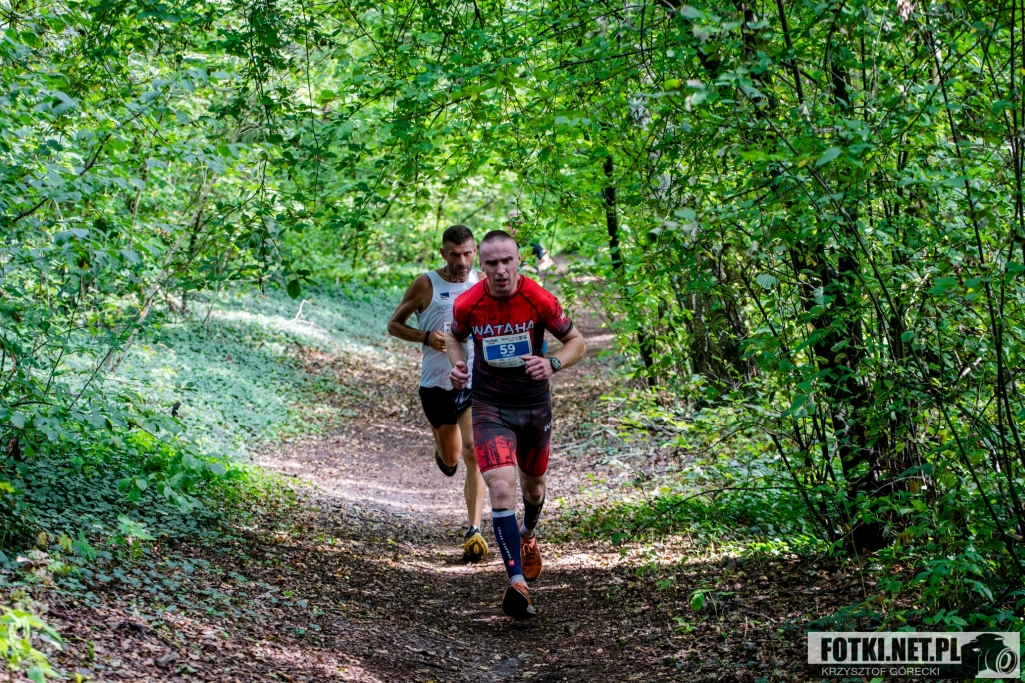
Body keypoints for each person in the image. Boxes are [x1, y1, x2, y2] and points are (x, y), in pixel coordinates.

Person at [446, 230, 586, 620]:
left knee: (534, 486)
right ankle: (517, 582)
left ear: (519, 260)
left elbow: (576, 341)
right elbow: (454, 337)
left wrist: (553, 363)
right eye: (492, 263)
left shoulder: (539, 298)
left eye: (507, 261)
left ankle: (528, 534)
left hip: (534, 406)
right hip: (489, 406)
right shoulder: (469, 302)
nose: (500, 270)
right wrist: (458, 364)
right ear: (481, 264)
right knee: (501, 485)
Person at [387, 225, 489, 562]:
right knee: (452, 458)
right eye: (455, 254)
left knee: (475, 452)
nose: (462, 261)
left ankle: (474, 529)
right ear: (443, 253)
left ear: (475, 251)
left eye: (468, 253)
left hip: (473, 381)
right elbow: (394, 325)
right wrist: (426, 336)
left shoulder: (484, 282)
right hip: (436, 383)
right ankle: (443, 454)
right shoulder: (426, 284)